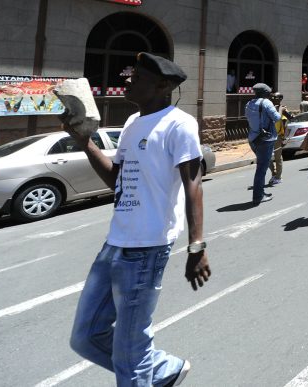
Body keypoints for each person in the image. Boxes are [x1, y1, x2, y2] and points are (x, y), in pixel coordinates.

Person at [66, 52, 209, 386]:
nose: (127, 79)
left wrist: (197, 246)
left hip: (147, 249)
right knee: (85, 337)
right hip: (114, 244)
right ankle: (162, 370)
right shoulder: (132, 123)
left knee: (131, 355)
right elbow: (117, 180)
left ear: (162, 86)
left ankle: (145, 372)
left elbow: (194, 185)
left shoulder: (180, 123)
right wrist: (85, 143)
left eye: (137, 77)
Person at [246, 83, 284, 204]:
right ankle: (258, 196)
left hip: (253, 139)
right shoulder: (267, 103)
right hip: (265, 140)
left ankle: (261, 192)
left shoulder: (249, 103)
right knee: (261, 169)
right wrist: (281, 110)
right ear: (265, 93)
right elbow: (277, 117)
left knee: (261, 166)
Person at [269, 92, 292, 185]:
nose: (273, 99)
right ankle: (274, 173)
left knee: (278, 157)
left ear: (280, 99)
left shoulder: (283, 109)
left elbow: (286, 124)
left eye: (276, 97)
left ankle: (278, 177)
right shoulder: (270, 108)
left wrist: (284, 138)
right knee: (267, 158)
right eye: (273, 97)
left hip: (278, 136)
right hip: (269, 136)